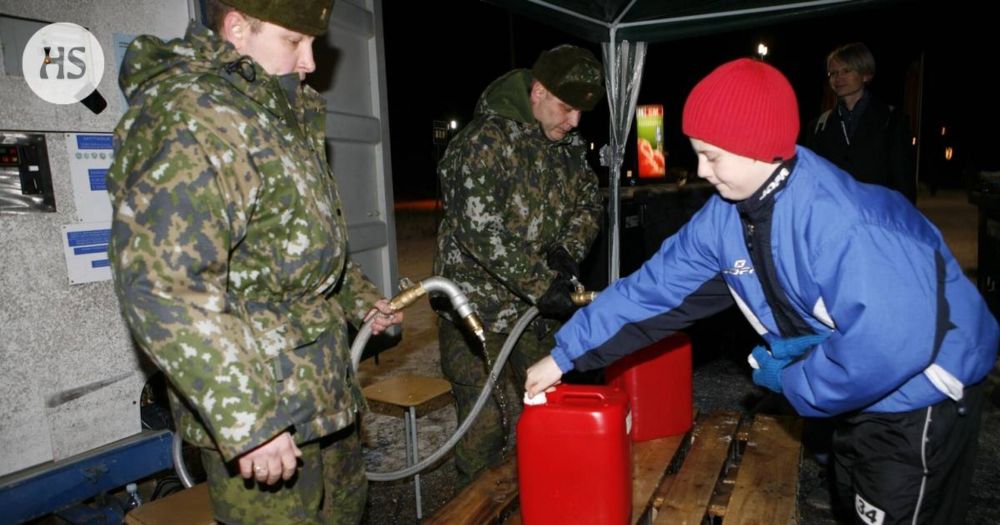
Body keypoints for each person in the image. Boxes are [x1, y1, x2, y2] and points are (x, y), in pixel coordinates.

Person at [526, 58, 998, 525]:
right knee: (853, 497)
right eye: (697, 152)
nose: (702, 170)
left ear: (761, 149)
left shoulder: (843, 224)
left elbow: (892, 344)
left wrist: (798, 378)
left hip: (920, 390)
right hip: (853, 384)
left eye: (712, 155)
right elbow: (651, 291)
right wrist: (565, 355)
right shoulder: (726, 216)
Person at [106, 1, 402, 523]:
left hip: (321, 390)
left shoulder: (280, 112)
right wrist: (251, 423)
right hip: (264, 404)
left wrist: (362, 300)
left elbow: (304, 245)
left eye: (314, 43)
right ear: (238, 28)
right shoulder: (191, 113)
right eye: (294, 41)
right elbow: (165, 285)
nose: (310, 61)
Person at [433, 44, 604, 484]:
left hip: (532, 313)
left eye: (582, 112)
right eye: (567, 108)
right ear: (538, 91)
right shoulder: (480, 143)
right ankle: (475, 506)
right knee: (483, 427)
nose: (575, 122)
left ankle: (553, 497)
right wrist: (541, 284)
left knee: (552, 409)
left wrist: (568, 249)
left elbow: (589, 200)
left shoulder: (566, 145)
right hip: (475, 311)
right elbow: (479, 231)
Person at [804, 42, 917, 202]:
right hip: (835, 219)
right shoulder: (818, 127)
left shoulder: (891, 120)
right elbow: (812, 181)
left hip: (878, 215)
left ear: (866, 75)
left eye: (846, 71)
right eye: (833, 73)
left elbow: (904, 182)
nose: (838, 78)